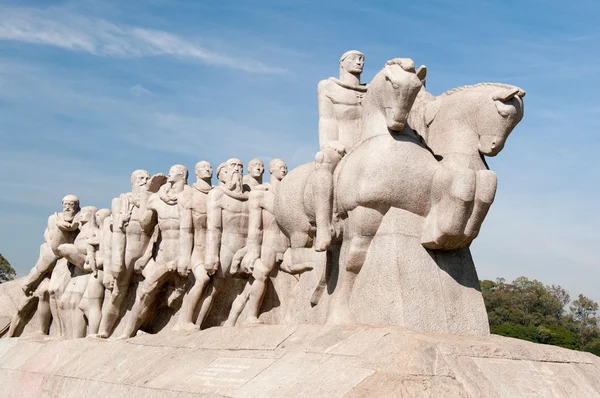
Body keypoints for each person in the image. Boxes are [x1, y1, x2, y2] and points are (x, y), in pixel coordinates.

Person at [313, 50, 367, 252]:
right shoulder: (328, 86)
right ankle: (324, 227)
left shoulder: (370, 90)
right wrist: (329, 143)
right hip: (341, 145)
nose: (360, 61)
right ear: (342, 63)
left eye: (362, 59)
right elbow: (326, 119)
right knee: (323, 161)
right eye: (354, 58)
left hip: (367, 146)